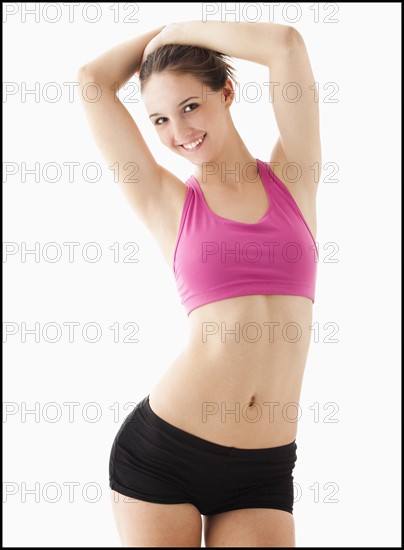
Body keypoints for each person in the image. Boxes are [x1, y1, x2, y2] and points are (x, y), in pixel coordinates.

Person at [78, 20, 321, 547]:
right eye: (160, 119)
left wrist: (181, 31)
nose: (178, 131)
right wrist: (157, 39)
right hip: (165, 454)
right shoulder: (168, 202)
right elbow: (91, 81)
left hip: (264, 468)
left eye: (191, 105)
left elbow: (285, 45)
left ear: (227, 91)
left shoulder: (293, 179)